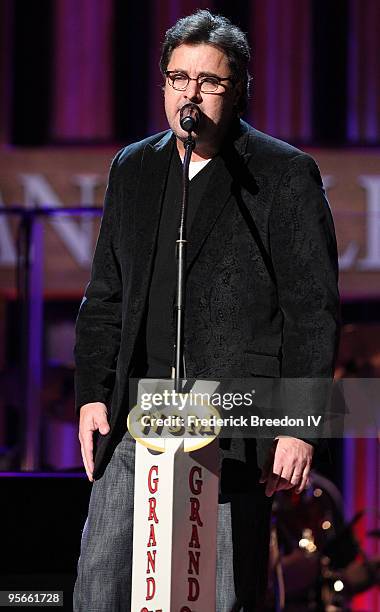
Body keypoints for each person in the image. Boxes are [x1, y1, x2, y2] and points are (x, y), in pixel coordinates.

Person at [73, 9, 340, 611]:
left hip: (228, 423)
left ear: (237, 88)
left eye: (208, 81)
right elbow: (106, 294)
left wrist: (297, 424)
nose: (189, 95)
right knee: (100, 587)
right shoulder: (134, 167)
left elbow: (312, 310)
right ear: (164, 85)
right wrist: (92, 391)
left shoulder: (281, 173)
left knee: (212, 593)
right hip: (135, 417)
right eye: (177, 78)